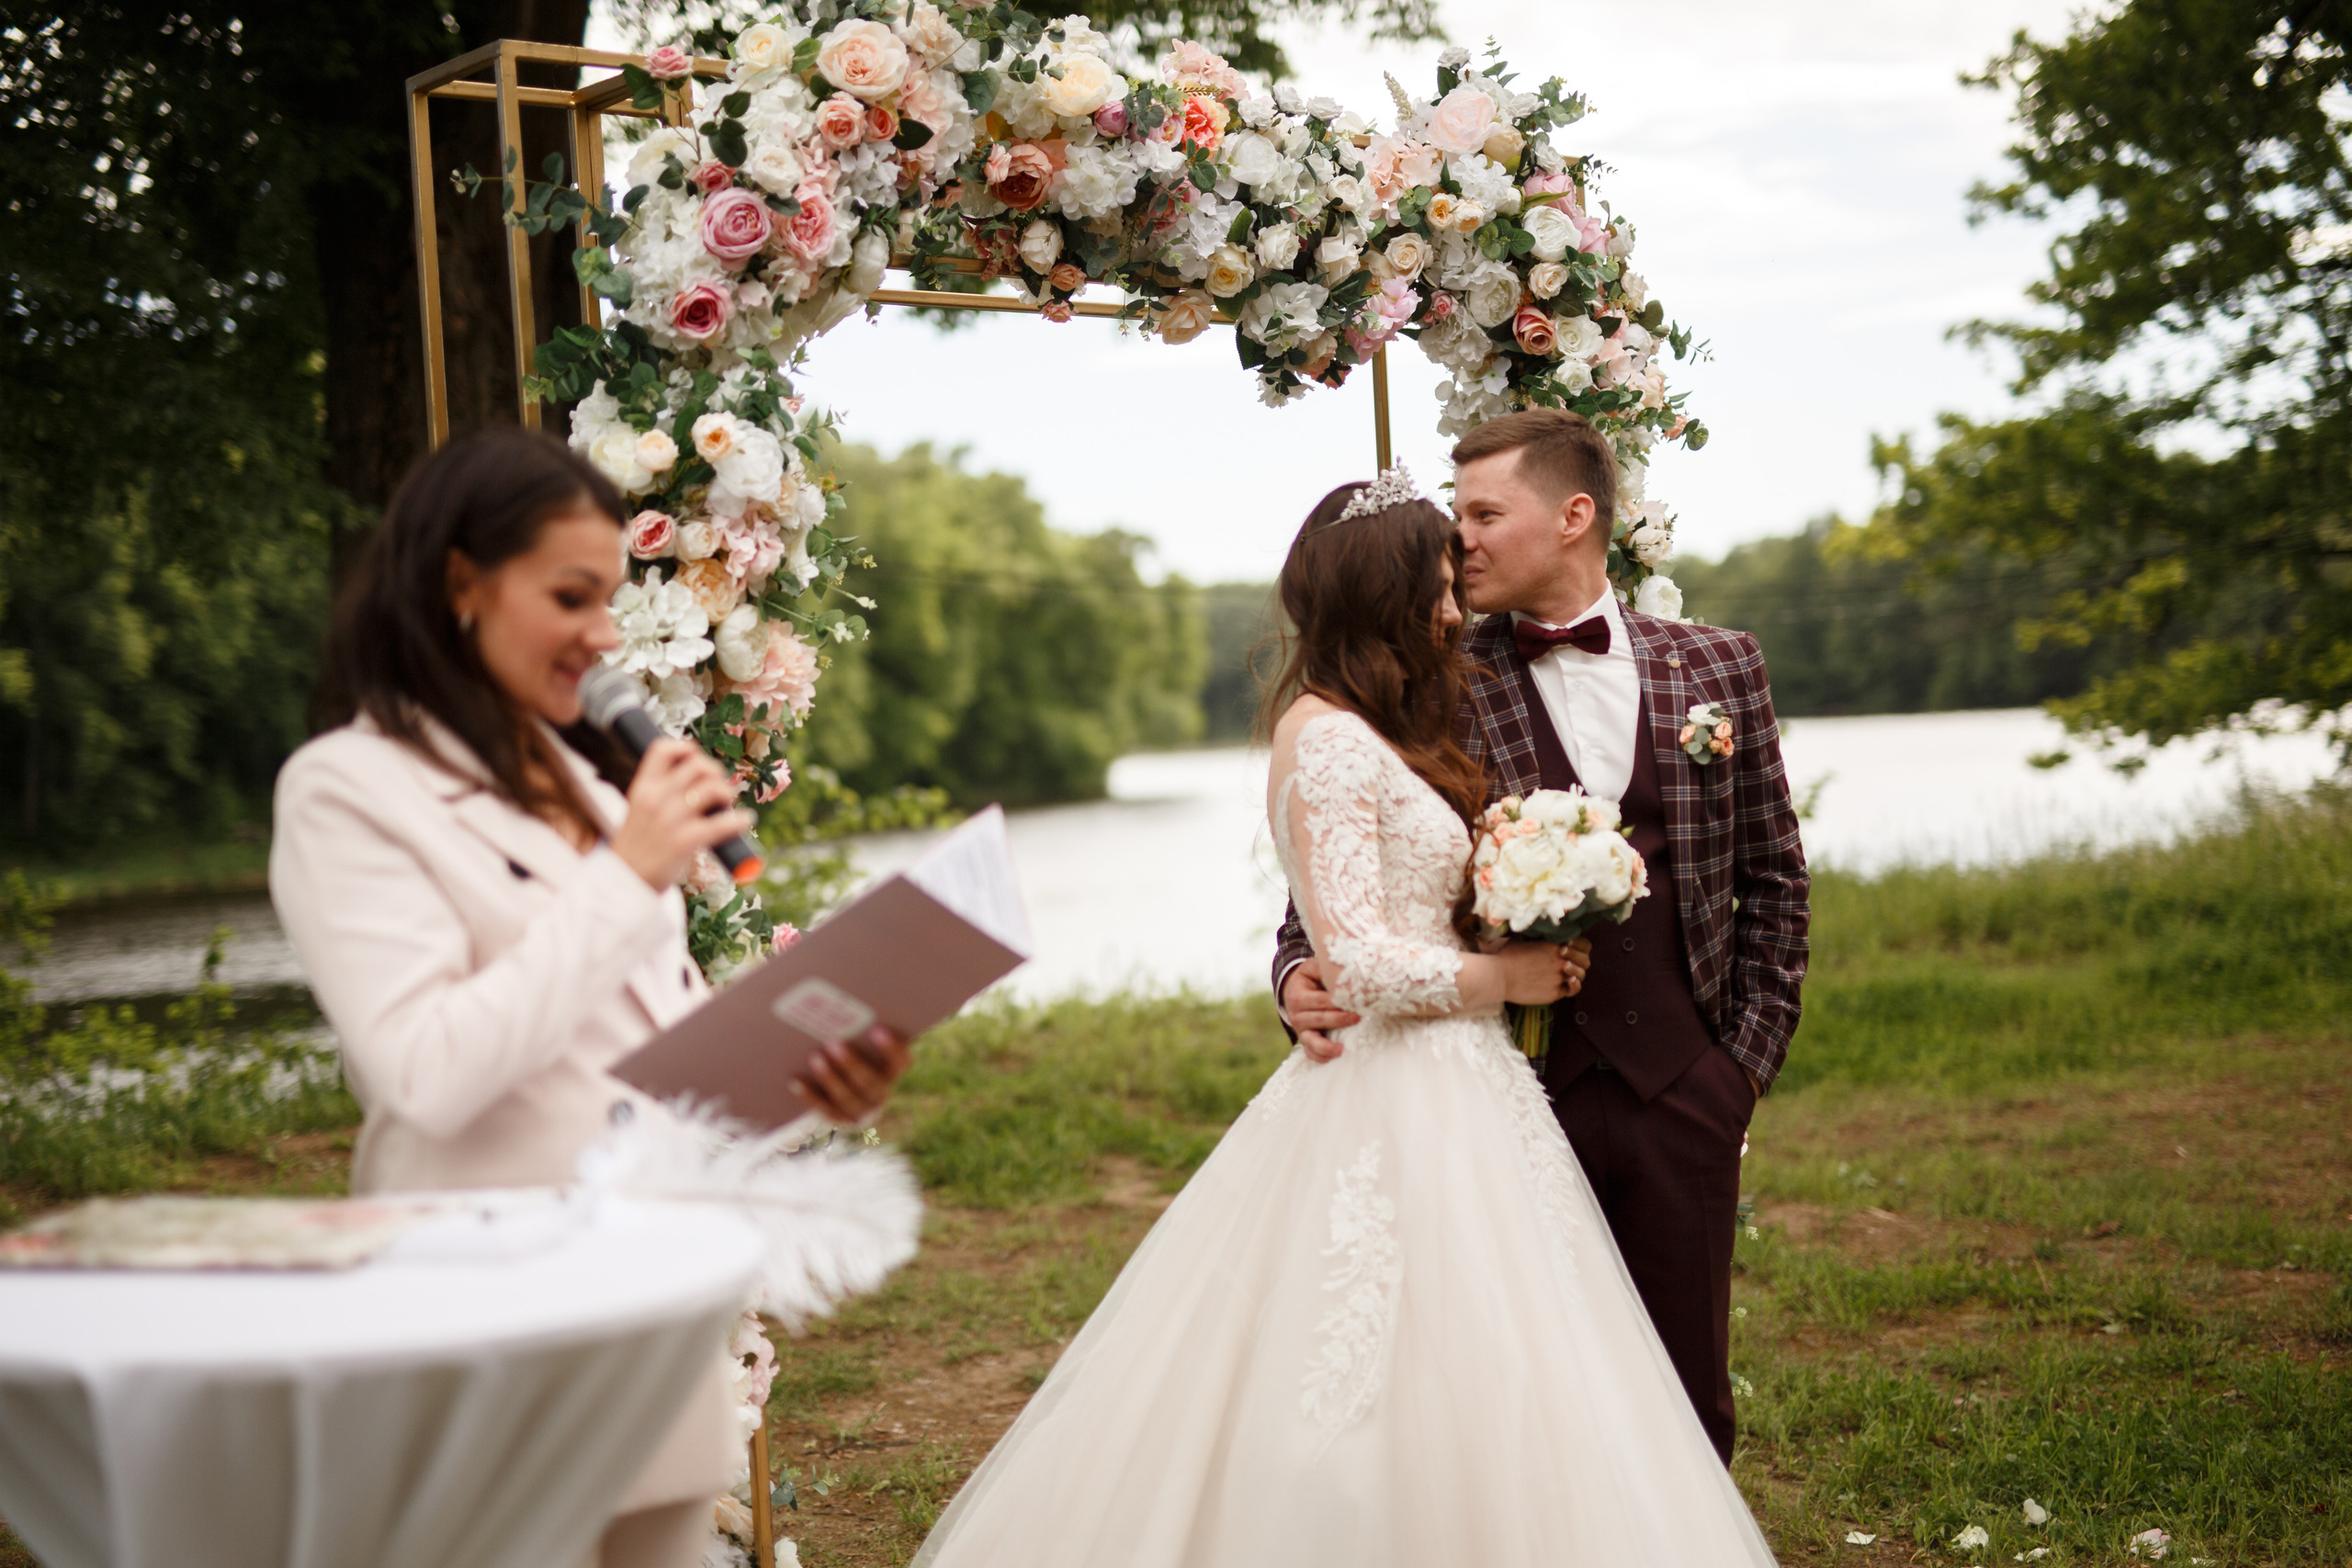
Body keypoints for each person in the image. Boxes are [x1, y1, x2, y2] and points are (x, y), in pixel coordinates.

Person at [906, 471, 1777, 1568]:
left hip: (1497, 1088)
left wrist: (1740, 1061)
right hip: (1415, 1080)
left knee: (1536, 1360)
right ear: (1387, 592)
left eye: (1469, 555)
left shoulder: (1395, 720)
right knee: (1372, 1364)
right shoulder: (1335, 734)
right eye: (1436, 582)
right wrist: (1485, 982)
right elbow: (1344, 942)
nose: (1455, 605)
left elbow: (1765, 875)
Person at [268, 427, 911, 1568]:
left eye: (612, 599)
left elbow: (655, 1066)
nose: (605, 640)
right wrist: (629, 876)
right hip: (489, 1331)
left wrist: (820, 1086)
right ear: (459, 582)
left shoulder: (584, 782)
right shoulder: (349, 789)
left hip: (652, 1326)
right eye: (573, 596)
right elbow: (426, 1073)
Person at [1276, 409, 1810, 1464]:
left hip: (1682, 1089)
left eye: (1483, 514)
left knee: (1688, 1390)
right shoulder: (1430, 666)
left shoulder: (1719, 666)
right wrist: (1295, 970)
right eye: (1455, 517)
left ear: (1573, 517)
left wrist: (1739, 1070)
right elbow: (1339, 860)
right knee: (1523, 1394)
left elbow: (1774, 879)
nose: (1460, 538)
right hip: (1506, 1090)